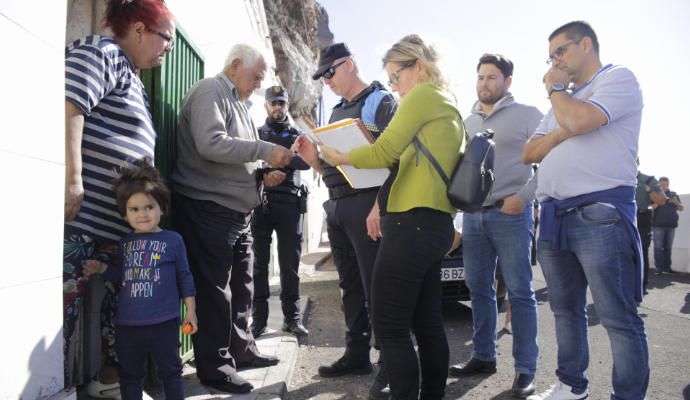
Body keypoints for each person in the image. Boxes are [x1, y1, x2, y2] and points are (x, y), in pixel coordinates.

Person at [309, 34, 464, 400]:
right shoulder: (448, 103)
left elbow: (384, 151)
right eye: (390, 79)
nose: (394, 87)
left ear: (418, 66)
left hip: (411, 224)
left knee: (390, 325)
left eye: (396, 77)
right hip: (435, 224)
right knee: (427, 325)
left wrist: (339, 157)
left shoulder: (423, 95)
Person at [522, 21, 649, 400]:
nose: (555, 62)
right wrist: (566, 126)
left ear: (587, 45)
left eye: (560, 51)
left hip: (601, 213)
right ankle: (571, 386)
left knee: (618, 319)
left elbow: (578, 120)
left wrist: (558, 96)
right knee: (565, 312)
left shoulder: (618, 79)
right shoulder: (565, 101)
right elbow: (530, 152)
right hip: (554, 216)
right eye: (551, 57)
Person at [64, 0, 176, 396]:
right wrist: (72, 178)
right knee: (62, 310)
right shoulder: (102, 52)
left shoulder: (133, 77)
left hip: (115, 230)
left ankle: (111, 385)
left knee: (120, 312)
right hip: (83, 220)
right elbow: (71, 105)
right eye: (167, 39)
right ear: (142, 29)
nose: (168, 49)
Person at [170, 43, 292, 394]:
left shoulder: (238, 102)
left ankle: (242, 350)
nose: (258, 84)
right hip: (209, 208)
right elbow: (211, 144)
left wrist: (262, 172)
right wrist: (265, 150)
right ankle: (216, 368)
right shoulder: (209, 90)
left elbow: (236, 156)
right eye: (255, 77)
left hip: (236, 211)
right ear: (235, 65)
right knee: (215, 293)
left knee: (242, 287)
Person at [303, 42, 397, 399]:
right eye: (322, 75)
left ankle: (390, 364)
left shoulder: (380, 101)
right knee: (351, 288)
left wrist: (379, 206)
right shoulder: (336, 112)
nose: (326, 79)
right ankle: (357, 355)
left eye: (331, 71)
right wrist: (313, 158)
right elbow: (332, 166)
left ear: (351, 64)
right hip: (338, 206)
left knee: (378, 289)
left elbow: (394, 158)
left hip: (367, 205)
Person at [449, 53, 543, 398]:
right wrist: (457, 218)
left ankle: (525, 371)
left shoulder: (528, 116)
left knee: (520, 292)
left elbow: (551, 159)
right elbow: (459, 174)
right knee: (479, 290)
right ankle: (484, 356)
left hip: (511, 214)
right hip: (473, 217)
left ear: (507, 81)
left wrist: (524, 196)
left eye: (492, 77)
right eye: (480, 77)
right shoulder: (466, 122)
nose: (484, 83)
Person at [83, 158, 197, 400]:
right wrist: (102, 268)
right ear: (124, 214)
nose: (142, 214)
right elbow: (124, 277)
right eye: (134, 209)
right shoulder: (124, 244)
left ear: (162, 208)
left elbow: (184, 277)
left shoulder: (173, 240)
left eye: (149, 207)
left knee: (171, 372)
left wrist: (191, 310)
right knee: (130, 376)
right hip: (128, 326)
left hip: (164, 323)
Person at [250, 85, 310, 338]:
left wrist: (280, 158)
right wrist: (283, 157)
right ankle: (259, 321)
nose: (278, 107)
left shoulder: (297, 134)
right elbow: (249, 161)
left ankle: (292, 319)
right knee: (259, 266)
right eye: (273, 103)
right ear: (266, 105)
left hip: (289, 204)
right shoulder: (256, 133)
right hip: (261, 204)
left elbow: (307, 161)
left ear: (287, 105)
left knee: (289, 266)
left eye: (281, 103)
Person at [635, 162, 666, 292]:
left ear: (637, 162)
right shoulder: (616, 178)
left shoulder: (647, 180)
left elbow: (662, 200)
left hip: (640, 218)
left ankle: (641, 287)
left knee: (641, 253)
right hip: (618, 219)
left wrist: (649, 190)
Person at [652, 176, 684, 274]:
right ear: (659, 185)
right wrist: (662, 200)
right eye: (662, 184)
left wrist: (675, 202)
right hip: (658, 226)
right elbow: (651, 207)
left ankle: (667, 268)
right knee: (658, 248)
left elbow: (681, 208)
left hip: (671, 226)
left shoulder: (673, 194)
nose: (664, 186)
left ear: (668, 184)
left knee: (668, 248)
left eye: (666, 184)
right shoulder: (655, 194)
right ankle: (659, 269)